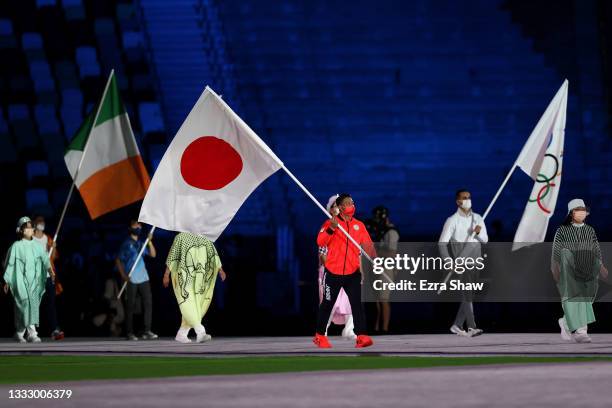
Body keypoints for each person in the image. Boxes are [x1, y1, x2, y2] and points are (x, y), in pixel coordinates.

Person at [314, 193, 376, 348]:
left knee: (356, 305)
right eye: (347, 203)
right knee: (327, 304)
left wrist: (375, 260)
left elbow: (368, 245)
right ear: (340, 207)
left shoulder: (359, 225)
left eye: (352, 202)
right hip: (333, 273)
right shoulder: (330, 223)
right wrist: (331, 229)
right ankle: (320, 336)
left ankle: (361, 336)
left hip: (352, 273)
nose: (351, 205)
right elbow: (320, 241)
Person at [552, 199, 607, 343]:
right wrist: (555, 271)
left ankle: (566, 322)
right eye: (577, 209)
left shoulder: (590, 230)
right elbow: (556, 252)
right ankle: (581, 332)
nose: (581, 212)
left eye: (583, 209)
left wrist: (601, 266)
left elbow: (596, 249)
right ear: (571, 213)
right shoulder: (562, 230)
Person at [438, 189, 487, 337]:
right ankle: (471, 327)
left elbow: (485, 240)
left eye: (469, 197)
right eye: (464, 198)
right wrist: (449, 261)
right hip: (461, 263)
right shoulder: (452, 220)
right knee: (467, 295)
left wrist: (478, 233)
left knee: (469, 295)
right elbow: (441, 243)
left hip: (476, 261)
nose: (467, 200)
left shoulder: (478, 218)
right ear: (457, 201)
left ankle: (457, 325)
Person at [163, 232, 226, 343]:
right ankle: (200, 332)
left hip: (199, 279)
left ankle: (182, 333)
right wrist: (166, 274)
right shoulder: (181, 237)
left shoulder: (205, 237)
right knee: (187, 302)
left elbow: (213, 255)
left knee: (198, 306)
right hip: (184, 276)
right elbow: (173, 256)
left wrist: (220, 269)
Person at [3, 217, 52, 343]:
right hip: (20, 281)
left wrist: (50, 270)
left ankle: (23, 333)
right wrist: (7, 280)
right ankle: (30, 333)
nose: (31, 229)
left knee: (33, 305)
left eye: (31, 226)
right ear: (22, 230)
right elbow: (10, 264)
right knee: (24, 305)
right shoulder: (16, 246)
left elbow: (45, 259)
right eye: (28, 227)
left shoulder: (37, 246)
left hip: (34, 281)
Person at [318, 195, 356, 339]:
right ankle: (323, 330)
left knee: (351, 300)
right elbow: (322, 252)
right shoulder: (327, 226)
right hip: (330, 272)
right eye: (335, 205)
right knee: (329, 303)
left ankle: (349, 329)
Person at [116, 220, 158, 340]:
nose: (138, 227)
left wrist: (149, 242)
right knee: (130, 306)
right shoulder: (126, 244)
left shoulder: (141, 243)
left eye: (139, 225)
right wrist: (123, 275)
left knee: (148, 304)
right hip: (131, 278)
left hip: (143, 277)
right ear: (130, 228)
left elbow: (153, 255)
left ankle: (147, 330)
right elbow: (118, 260)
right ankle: (129, 332)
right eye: (136, 225)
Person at [31, 215, 64, 340]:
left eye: (43, 222)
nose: (41, 224)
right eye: (39, 222)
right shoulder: (30, 240)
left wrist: (54, 248)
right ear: (35, 224)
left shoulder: (48, 239)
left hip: (48, 276)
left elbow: (53, 257)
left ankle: (54, 329)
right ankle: (30, 330)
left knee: (50, 303)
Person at [368, 206, 399, 334]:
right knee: (376, 299)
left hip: (386, 268)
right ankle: (376, 327)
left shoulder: (391, 232)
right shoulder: (380, 232)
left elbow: (392, 253)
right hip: (377, 266)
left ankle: (385, 328)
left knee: (383, 299)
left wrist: (376, 252)